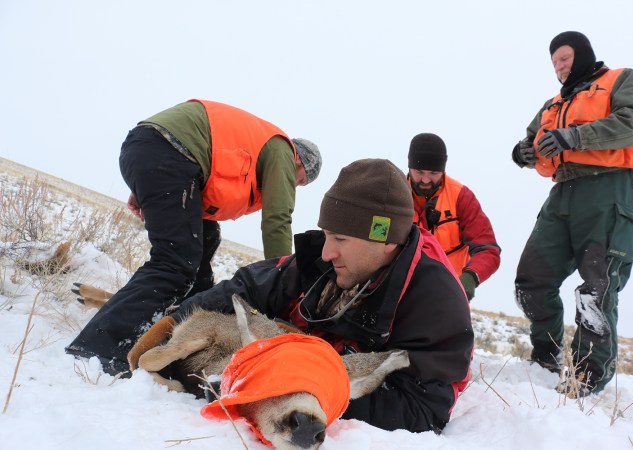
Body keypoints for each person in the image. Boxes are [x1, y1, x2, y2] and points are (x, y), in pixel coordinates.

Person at [128, 159, 474, 433]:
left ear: (384, 239)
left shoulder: (437, 303)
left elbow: (423, 410)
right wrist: (175, 321)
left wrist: (303, 384)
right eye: (327, 236)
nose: (326, 253)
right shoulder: (320, 265)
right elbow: (248, 284)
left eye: (340, 239)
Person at [65, 99, 322, 374]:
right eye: (300, 180)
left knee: (205, 243)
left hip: (153, 152)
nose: (294, 185)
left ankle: (184, 328)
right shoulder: (283, 151)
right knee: (174, 263)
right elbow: (277, 219)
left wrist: (146, 184)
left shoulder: (260, 148)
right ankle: (95, 348)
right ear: (299, 161)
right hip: (172, 154)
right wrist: (279, 278)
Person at [512, 31, 633, 396]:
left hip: (611, 189)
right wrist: (522, 153)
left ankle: (586, 376)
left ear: (584, 54)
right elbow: (530, 140)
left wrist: (576, 137)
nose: (559, 66)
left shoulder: (621, 79)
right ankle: (547, 355)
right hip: (563, 193)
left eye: (565, 57)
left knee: (596, 288)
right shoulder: (552, 104)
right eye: (555, 62)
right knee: (531, 281)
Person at [407, 133, 501, 301]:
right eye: (419, 171)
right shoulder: (391, 194)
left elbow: (488, 250)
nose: (426, 179)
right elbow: (376, 238)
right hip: (400, 288)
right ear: (409, 167)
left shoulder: (461, 197)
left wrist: (470, 278)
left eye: (434, 172)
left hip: (447, 292)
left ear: (443, 170)